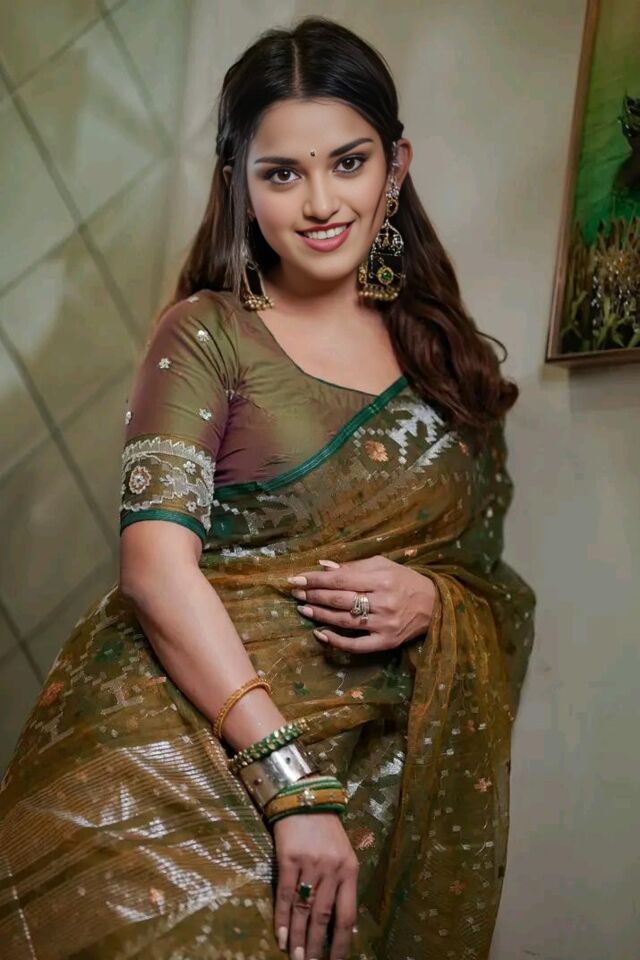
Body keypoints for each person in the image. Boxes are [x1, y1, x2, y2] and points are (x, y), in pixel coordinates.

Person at [0, 15, 535, 960]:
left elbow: (487, 586)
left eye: (349, 163)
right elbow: (155, 571)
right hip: (176, 762)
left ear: (397, 166)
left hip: (371, 786)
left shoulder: (449, 366)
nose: (321, 202)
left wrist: (433, 601)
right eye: (281, 173)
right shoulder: (206, 333)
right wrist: (290, 783)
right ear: (237, 184)